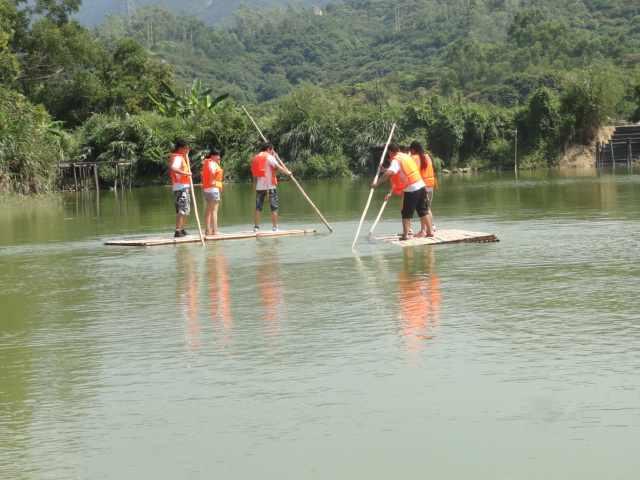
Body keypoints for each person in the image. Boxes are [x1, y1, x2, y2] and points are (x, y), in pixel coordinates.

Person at [372, 143, 433, 240]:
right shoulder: (405, 156)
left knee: (406, 213)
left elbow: (390, 173)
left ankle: (405, 235)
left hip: (411, 188)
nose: (389, 155)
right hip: (421, 185)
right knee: (423, 211)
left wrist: (377, 183)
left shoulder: (396, 160)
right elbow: (399, 171)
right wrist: (384, 170)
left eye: (389, 153)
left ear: (391, 152)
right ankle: (430, 232)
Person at [250, 142, 291, 232]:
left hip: (259, 187)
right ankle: (275, 227)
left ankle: (256, 227)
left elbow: (254, 175)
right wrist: (288, 172)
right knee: (274, 207)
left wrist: (254, 186)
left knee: (258, 207)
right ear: (269, 149)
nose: (273, 151)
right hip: (270, 186)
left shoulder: (255, 158)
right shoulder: (269, 157)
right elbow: (278, 167)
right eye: (272, 150)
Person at [410, 141, 438, 230]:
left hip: (423, 186)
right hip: (431, 184)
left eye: (411, 150)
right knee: (428, 207)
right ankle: (431, 226)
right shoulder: (427, 156)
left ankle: (425, 229)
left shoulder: (415, 158)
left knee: (422, 209)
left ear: (413, 150)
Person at [168, 139, 192, 238]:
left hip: (183, 186)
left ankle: (181, 229)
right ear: (181, 148)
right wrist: (187, 173)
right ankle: (178, 230)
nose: (187, 150)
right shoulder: (177, 158)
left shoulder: (181, 157)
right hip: (180, 187)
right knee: (182, 209)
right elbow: (173, 168)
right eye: (186, 148)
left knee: (185, 209)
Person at [201, 148, 223, 236]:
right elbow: (212, 175)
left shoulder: (207, 163)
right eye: (218, 156)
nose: (219, 157)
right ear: (213, 156)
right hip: (213, 189)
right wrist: (214, 182)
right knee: (214, 211)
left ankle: (207, 230)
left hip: (207, 190)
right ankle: (215, 231)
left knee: (208, 210)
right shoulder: (213, 164)